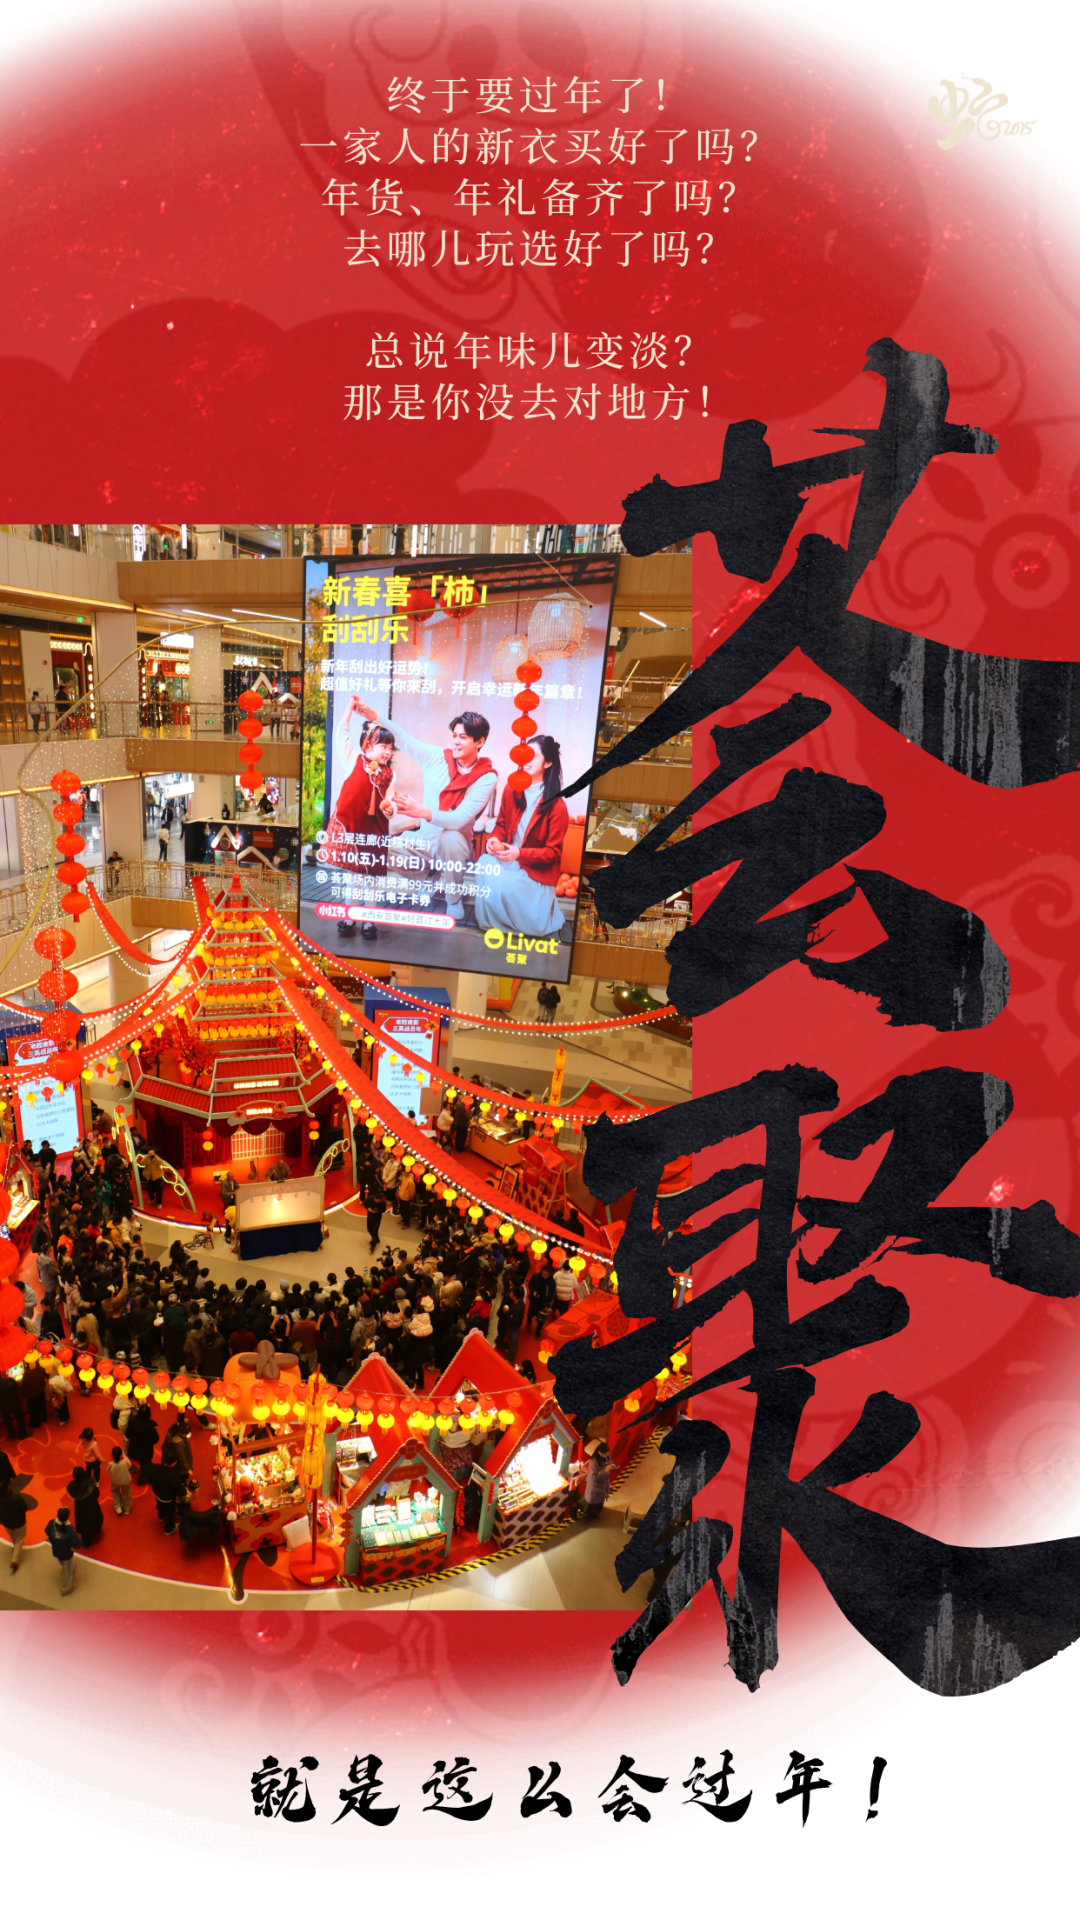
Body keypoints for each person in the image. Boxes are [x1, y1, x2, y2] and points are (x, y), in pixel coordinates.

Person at [358, 702, 497, 924]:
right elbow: (404, 739)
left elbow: (459, 819)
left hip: (455, 845)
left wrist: (421, 811)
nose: (456, 742)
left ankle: (453, 899)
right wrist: (374, 716)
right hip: (424, 841)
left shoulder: (487, 777)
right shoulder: (436, 757)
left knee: (450, 837)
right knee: (379, 845)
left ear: (479, 742)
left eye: (463, 737)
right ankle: (429, 876)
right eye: (454, 736)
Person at [475, 737, 569, 941]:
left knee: (509, 887)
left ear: (548, 763)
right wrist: (493, 839)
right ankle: (493, 924)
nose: (526, 760)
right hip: (509, 860)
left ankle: (519, 923)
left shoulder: (557, 805)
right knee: (484, 864)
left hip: (534, 872)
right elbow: (501, 825)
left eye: (533, 756)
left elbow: (553, 853)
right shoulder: (511, 789)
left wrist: (519, 853)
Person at [0, 1476, 37, 1572]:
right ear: (8, 1488)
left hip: (6, 1523)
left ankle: (16, 1548)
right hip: (19, 1523)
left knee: (13, 1536)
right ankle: (14, 1560)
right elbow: (24, 1508)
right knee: (19, 1539)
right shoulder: (16, 1499)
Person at [45, 1506, 82, 1596]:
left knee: (64, 1563)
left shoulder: (51, 1523)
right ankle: (66, 1588)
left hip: (56, 1549)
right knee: (66, 1569)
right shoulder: (70, 1530)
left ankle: (72, 1567)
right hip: (66, 1553)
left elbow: (47, 1531)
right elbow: (77, 1544)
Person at [66, 1464, 104, 1546]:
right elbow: (97, 1494)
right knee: (94, 1517)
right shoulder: (90, 1482)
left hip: (80, 1507)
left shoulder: (72, 1486)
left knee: (82, 1521)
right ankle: (96, 1530)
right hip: (91, 1504)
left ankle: (87, 1542)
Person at [577, 1441, 610, 1521]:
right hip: (595, 1486)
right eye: (605, 1454)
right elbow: (594, 1477)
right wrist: (605, 1471)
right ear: (599, 1452)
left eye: (607, 1453)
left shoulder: (606, 1457)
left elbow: (608, 1462)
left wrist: (610, 1466)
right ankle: (587, 1513)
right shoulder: (593, 1462)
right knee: (591, 1502)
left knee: (597, 1501)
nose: (607, 1455)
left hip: (602, 1485)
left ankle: (594, 1511)